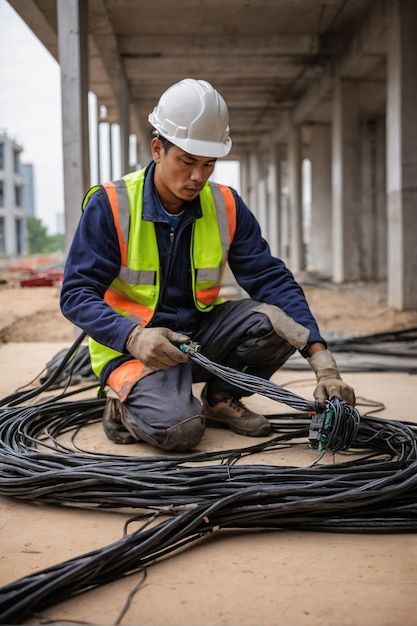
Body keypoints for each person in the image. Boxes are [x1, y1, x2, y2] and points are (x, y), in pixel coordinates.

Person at [60, 78, 355, 453]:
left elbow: (271, 279)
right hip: (133, 347)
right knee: (181, 431)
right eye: (187, 161)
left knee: (282, 324)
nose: (198, 176)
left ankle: (219, 399)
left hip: (197, 336)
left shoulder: (225, 205)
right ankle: (123, 403)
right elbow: (76, 294)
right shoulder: (112, 204)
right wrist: (132, 336)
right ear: (157, 149)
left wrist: (321, 359)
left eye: (208, 163)